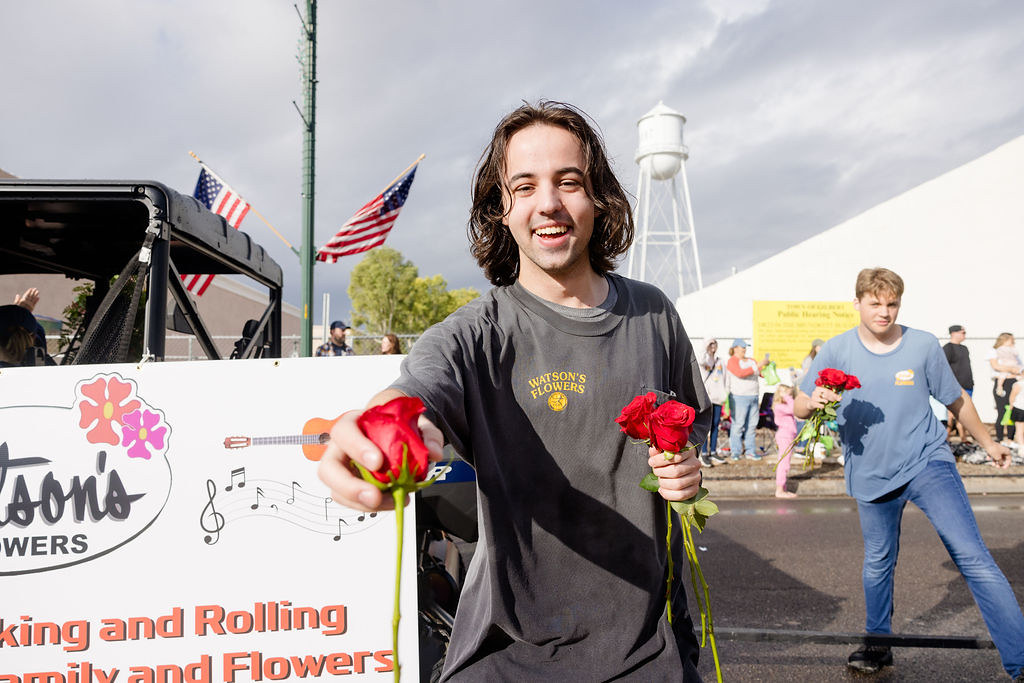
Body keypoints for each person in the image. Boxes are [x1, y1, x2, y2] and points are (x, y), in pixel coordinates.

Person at [318, 101, 710, 680]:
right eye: (523, 186)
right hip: (509, 655)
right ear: (501, 209)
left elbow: (695, 421)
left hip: (649, 652)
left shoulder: (653, 313)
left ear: (598, 196)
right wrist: (382, 428)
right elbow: (419, 391)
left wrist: (691, 465)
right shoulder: (477, 331)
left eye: (568, 181)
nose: (548, 203)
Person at [795, 267, 1024, 678]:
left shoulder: (921, 345)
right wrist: (813, 401)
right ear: (858, 303)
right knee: (879, 562)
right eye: (875, 303)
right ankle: (878, 647)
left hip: (927, 461)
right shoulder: (835, 350)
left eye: (892, 303)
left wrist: (989, 443)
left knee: (972, 557)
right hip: (871, 473)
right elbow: (797, 404)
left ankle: (1021, 661)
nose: (884, 311)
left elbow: (955, 400)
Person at [725, 339, 768, 460]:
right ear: (735, 348)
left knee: (752, 425)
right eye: (742, 347)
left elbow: (761, 373)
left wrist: (766, 365)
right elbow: (740, 373)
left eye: (745, 347)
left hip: (753, 396)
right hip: (739, 397)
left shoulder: (751, 360)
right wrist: (757, 366)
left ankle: (750, 451)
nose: (744, 349)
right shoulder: (732, 361)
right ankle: (736, 452)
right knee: (738, 424)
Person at [699, 338, 728, 466]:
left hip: (718, 397)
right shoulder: (705, 359)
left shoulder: (721, 361)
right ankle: (704, 453)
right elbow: (702, 361)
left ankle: (714, 451)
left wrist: (725, 394)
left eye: (714, 343)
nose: (713, 346)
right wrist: (706, 349)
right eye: (710, 344)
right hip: (707, 397)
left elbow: (726, 379)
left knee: (716, 425)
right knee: (706, 426)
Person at [942, 324, 973, 441]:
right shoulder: (947, 348)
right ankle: (946, 437)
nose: (964, 335)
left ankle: (963, 437)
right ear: (953, 333)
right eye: (963, 332)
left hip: (967, 384)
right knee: (951, 413)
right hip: (955, 386)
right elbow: (944, 368)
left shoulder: (964, 349)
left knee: (965, 412)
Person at [988, 333, 1021, 442]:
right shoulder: (995, 351)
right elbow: (996, 366)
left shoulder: (1014, 352)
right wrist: (1011, 369)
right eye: (1011, 341)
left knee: (1012, 410)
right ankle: (1000, 437)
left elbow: (1020, 368)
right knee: (1002, 411)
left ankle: (1010, 438)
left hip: (1013, 382)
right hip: (1002, 383)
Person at [771, 370, 798, 498]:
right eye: (788, 395)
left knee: (786, 462)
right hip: (784, 436)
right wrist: (787, 397)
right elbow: (794, 409)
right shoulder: (779, 406)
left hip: (789, 435)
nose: (790, 397)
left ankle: (783, 488)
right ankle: (779, 490)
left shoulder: (783, 405)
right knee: (784, 463)